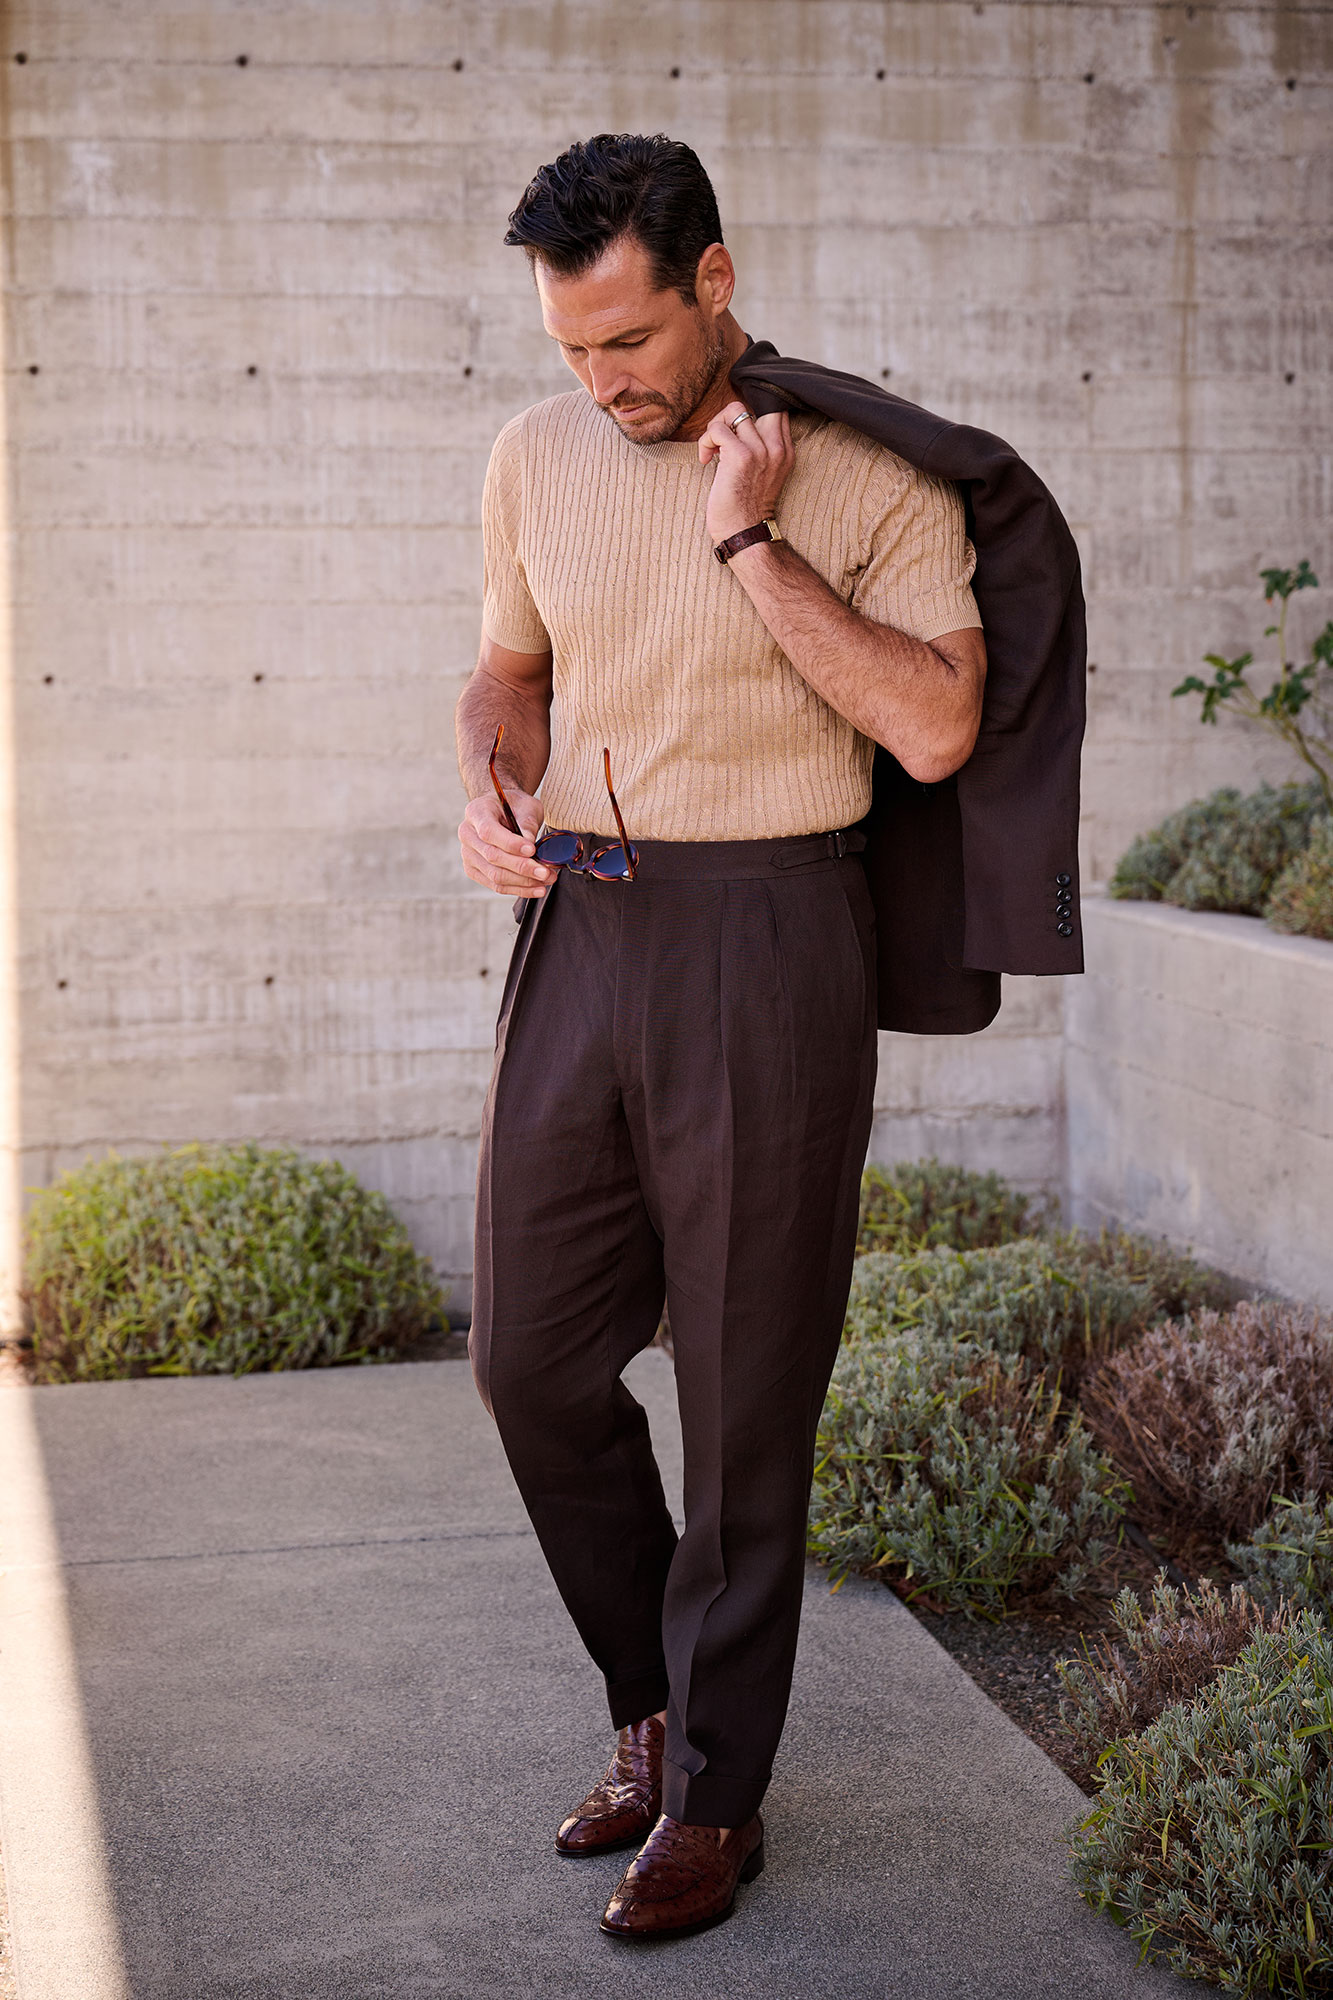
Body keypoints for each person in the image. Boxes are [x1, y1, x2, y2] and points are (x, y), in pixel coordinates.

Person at [455, 131, 987, 1942]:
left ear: (715, 281)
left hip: (769, 929)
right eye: (568, 348)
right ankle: (650, 1700)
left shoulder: (863, 470)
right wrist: (485, 780)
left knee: (745, 1391)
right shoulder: (533, 457)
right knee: (528, 1358)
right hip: (582, 920)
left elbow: (929, 729)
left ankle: (716, 1796)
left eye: (627, 343)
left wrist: (747, 537)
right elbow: (511, 669)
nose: (598, 383)